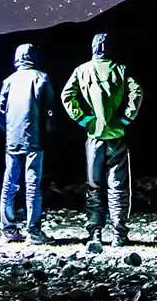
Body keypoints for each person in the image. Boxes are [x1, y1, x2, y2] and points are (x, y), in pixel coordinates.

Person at [61, 32, 143, 252]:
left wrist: (84, 119)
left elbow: (67, 96)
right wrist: (126, 117)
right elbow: (136, 91)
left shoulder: (82, 70)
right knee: (118, 186)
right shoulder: (120, 70)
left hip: (94, 135)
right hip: (117, 134)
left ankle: (95, 232)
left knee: (94, 185)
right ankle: (118, 233)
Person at [0, 42, 55, 244]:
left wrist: (10, 131)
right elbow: (50, 111)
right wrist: (47, 131)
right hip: (34, 140)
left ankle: (8, 228)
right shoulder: (42, 78)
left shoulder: (8, 81)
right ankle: (33, 231)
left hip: (12, 140)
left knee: (9, 183)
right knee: (33, 185)